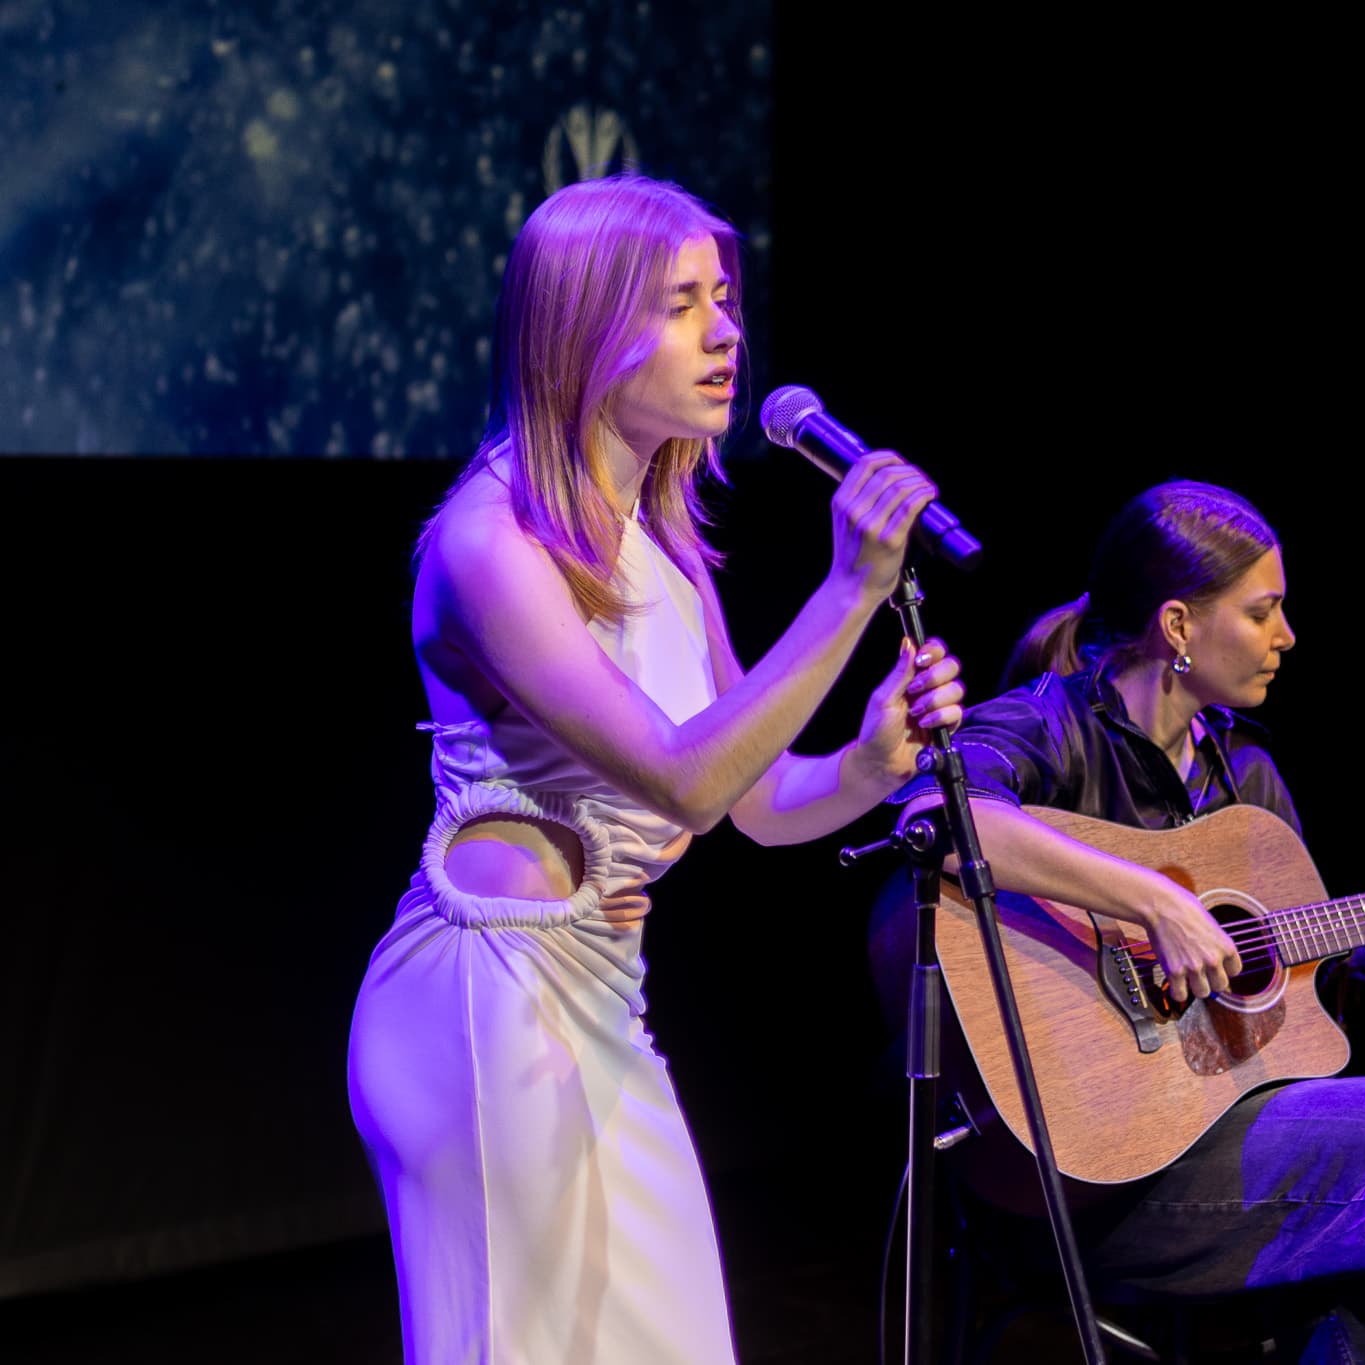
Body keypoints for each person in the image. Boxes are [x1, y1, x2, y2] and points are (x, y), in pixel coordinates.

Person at [346, 172, 966, 1364]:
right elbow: (683, 780)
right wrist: (849, 590)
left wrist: (865, 762)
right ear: (583, 329)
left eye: (723, 298)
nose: (725, 332)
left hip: (596, 1001)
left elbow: (756, 799)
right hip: (486, 1003)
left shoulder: (664, 552)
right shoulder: (489, 542)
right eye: (681, 304)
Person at [880, 481, 1365, 1362]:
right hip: (1071, 1178)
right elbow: (938, 820)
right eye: (1262, 611)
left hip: (1219, 1146)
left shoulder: (1245, 778)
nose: (1287, 636)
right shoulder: (1047, 724)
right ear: (1178, 626)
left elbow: (1325, 964)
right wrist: (1156, 900)